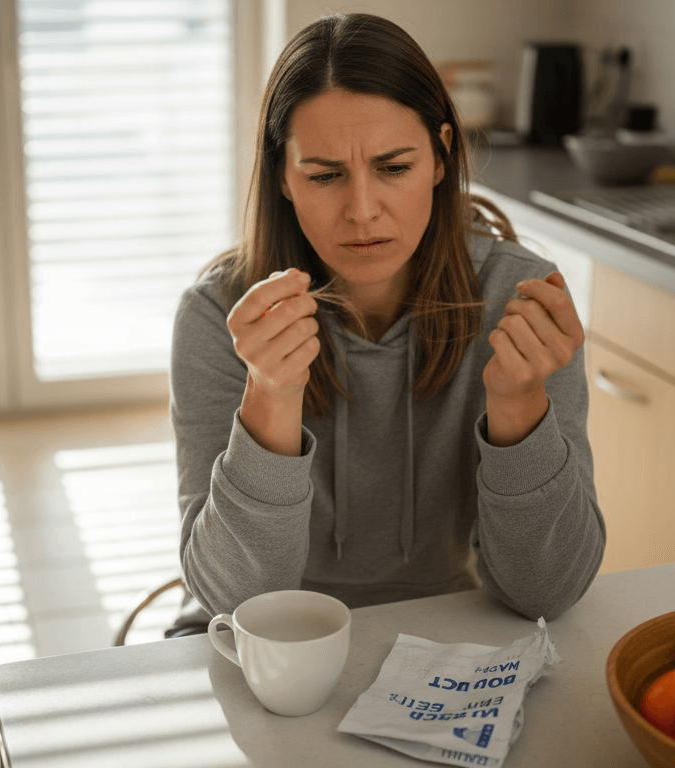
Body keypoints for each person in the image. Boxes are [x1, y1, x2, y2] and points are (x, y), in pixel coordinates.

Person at [166, 13, 604, 636]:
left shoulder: (516, 298)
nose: (362, 211)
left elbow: (546, 593)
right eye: (324, 175)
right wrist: (270, 395)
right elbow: (233, 600)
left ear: (441, 156)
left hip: (442, 626)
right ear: (283, 178)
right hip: (264, 641)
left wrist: (519, 408)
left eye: (394, 167)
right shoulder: (218, 317)